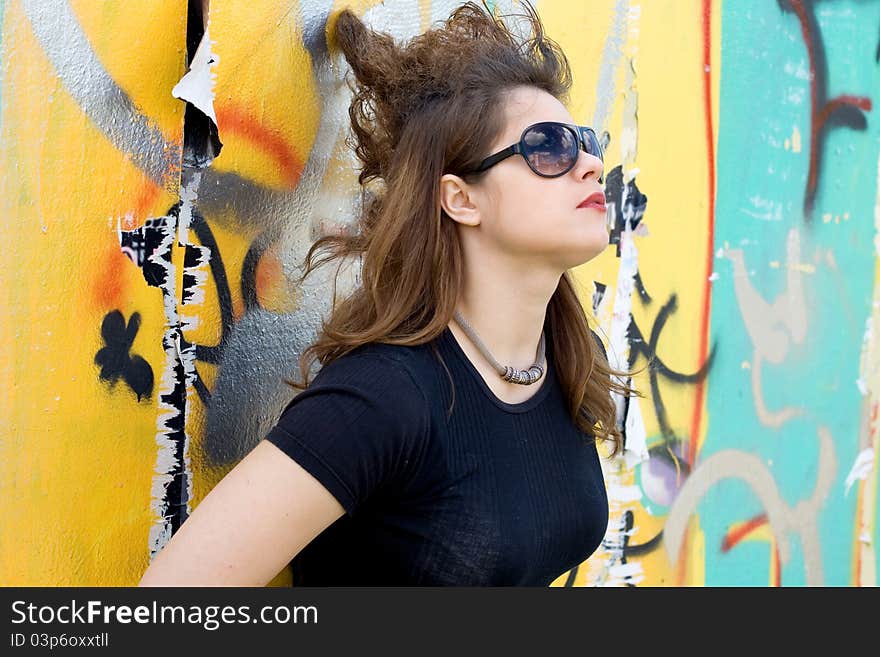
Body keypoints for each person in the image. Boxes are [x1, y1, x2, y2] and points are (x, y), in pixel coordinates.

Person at [139, 0, 642, 587]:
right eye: (548, 147)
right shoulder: (385, 397)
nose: (588, 164)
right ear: (461, 199)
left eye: (586, 142)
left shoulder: (570, 363)